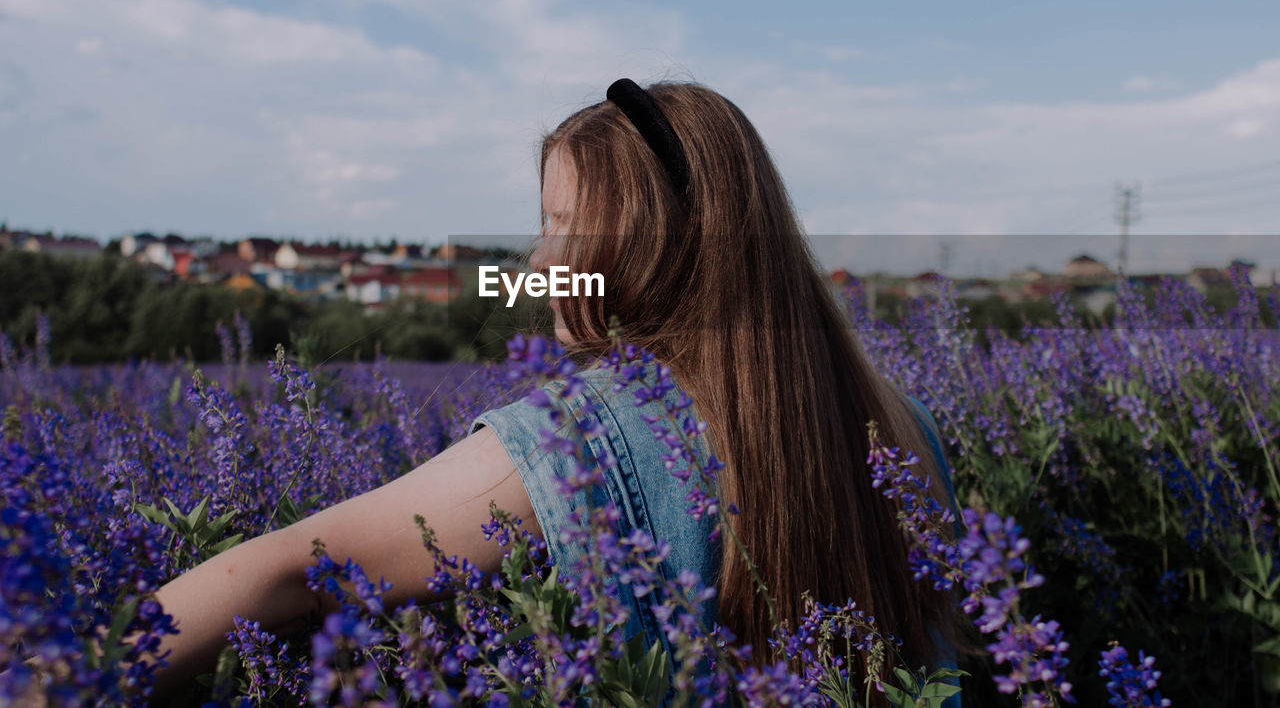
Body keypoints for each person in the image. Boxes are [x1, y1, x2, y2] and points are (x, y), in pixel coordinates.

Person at [145, 78, 963, 702]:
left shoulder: (582, 439)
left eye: (563, 226)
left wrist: (66, 669)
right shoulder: (906, 424)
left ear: (651, 242)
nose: (538, 262)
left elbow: (294, 567)